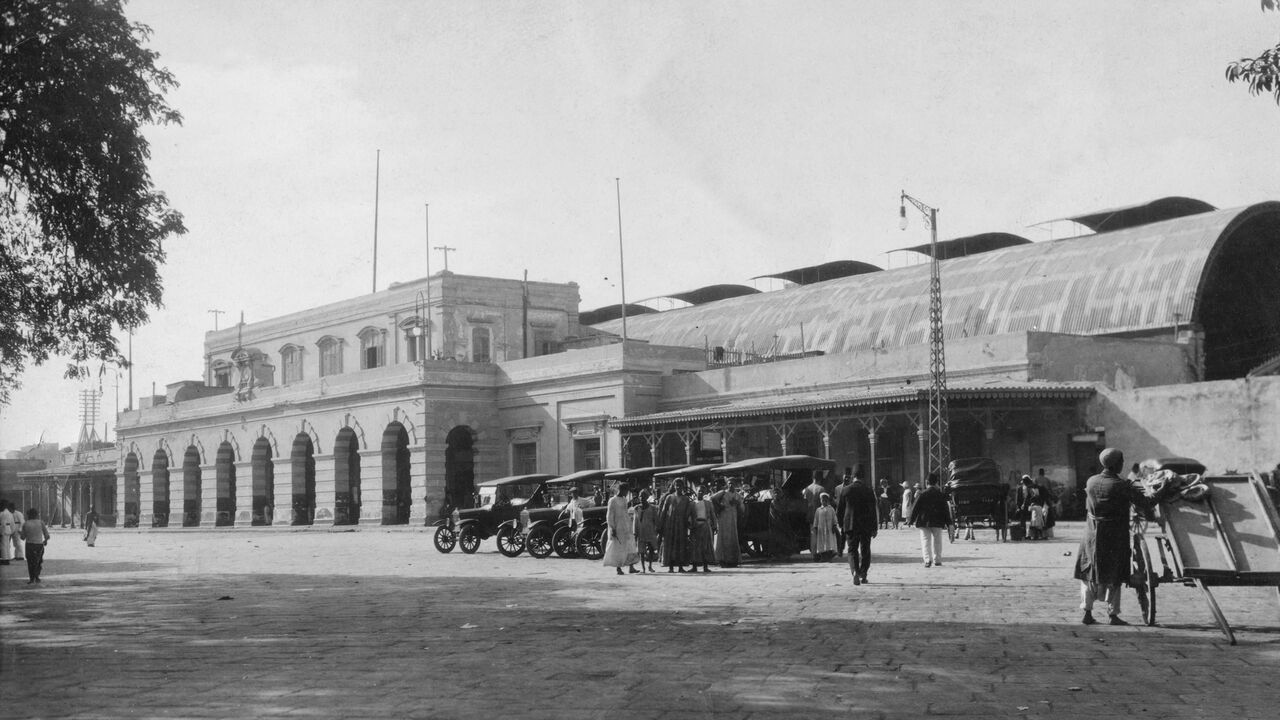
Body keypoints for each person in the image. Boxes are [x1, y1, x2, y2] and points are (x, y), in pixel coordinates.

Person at [1074, 447, 1145, 626]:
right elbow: (1143, 502)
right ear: (1116, 464)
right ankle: (1113, 614)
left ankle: (1087, 613)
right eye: (1121, 461)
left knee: (1088, 572)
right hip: (1114, 536)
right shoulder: (1120, 485)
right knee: (1115, 573)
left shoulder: (1091, 482)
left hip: (1091, 534)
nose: (1122, 464)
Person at [838, 470, 878, 584]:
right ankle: (863, 573)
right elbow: (873, 511)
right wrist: (874, 527)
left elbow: (840, 509)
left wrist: (841, 524)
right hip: (865, 525)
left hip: (850, 525)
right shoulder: (869, 490)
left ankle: (855, 571)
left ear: (853, 477)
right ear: (863, 477)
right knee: (865, 550)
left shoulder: (846, 489)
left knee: (852, 550)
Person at [909, 472, 953, 568]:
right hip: (937, 521)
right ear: (936, 482)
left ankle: (928, 560)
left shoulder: (922, 494)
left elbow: (915, 508)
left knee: (925, 541)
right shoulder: (940, 495)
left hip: (924, 521)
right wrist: (949, 522)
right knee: (938, 541)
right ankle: (937, 560)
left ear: (926, 482)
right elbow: (945, 510)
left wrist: (911, 520)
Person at [603, 482, 640, 575]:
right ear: (621, 490)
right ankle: (618, 568)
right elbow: (609, 515)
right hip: (617, 526)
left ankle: (631, 566)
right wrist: (612, 528)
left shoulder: (624, 499)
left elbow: (625, 512)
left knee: (629, 545)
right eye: (626, 491)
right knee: (618, 547)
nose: (627, 493)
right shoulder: (612, 500)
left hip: (625, 525)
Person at [657, 479, 694, 573]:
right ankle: (671, 567)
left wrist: (688, 522)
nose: (678, 487)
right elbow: (664, 511)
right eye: (676, 485)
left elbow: (689, 512)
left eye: (680, 485)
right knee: (670, 545)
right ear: (674, 486)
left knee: (681, 545)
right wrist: (660, 525)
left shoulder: (686, 499)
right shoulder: (669, 497)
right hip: (670, 525)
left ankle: (681, 566)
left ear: (682, 487)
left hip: (681, 525)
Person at [712, 479, 743, 568]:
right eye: (729, 484)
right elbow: (713, 498)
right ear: (727, 484)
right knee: (723, 537)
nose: (731, 485)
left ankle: (733, 560)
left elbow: (742, 508)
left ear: (736, 485)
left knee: (732, 537)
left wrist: (737, 503)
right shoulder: (723, 493)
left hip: (733, 518)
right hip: (723, 517)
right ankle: (722, 560)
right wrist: (720, 506)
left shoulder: (738, 495)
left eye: (733, 484)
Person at [688, 485, 718, 573]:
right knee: (695, 547)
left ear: (704, 493)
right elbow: (689, 515)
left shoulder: (708, 503)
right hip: (695, 525)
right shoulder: (692, 503)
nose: (700, 492)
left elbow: (713, 515)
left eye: (702, 491)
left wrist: (715, 526)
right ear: (696, 491)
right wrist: (690, 525)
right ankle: (694, 567)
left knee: (705, 546)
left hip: (705, 525)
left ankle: (705, 567)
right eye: (699, 491)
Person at [20, 508, 50, 584]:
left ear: (28, 515)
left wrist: (19, 533)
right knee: (38, 561)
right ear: (36, 515)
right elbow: (47, 535)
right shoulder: (41, 522)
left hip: (30, 545)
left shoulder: (26, 524)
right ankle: (37, 577)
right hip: (39, 545)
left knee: (30, 562)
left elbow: (23, 538)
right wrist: (45, 541)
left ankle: (31, 578)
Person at [632, 490, 659, 573]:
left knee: (651, 549)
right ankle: (643, 568)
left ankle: (650, 566)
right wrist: (635, 532)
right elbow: (635, 521)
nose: (641, 498)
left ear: (647, 497)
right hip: (641, 531)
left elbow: (656, 520)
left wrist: (657, 529)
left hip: (650, 530)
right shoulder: (637, 508)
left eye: (643, 496)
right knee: (641, 551)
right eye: (640, 496)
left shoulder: (652, 508)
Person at [833, 467, 856, 557]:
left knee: (849, 532)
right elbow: (836, 500)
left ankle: (850, 550)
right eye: (845, 476)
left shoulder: (853, 488)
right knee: (842, 533)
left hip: (850, 513)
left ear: (851, 477)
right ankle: (840, 549)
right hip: (841, 513)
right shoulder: (837, 488)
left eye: (848, 477)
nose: (846, 478)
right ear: (842, 476)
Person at [802, 472, 826, 559]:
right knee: (821, 534)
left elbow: (804, 501)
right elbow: (823, 503)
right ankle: (820, 553)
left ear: (812, 478)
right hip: (819, 514)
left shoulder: (806, 489)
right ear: (820, 479)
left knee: (813, 534)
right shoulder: (821, 489)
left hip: (810, 514)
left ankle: (813, 554)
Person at [811, 493, 839, 562]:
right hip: (821, 530)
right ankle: (823, 557)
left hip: (829, 529)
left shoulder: (831, 509)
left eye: (825, 500)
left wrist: (834, 525)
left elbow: (834, 518)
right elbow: (816, 519)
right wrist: (815, 527)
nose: (824, 502)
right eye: (822, 500)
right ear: (820, 501)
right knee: (822, 543)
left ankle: (830, 557)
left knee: (830, 543)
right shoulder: (818, 510)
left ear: (828, 501)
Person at [0, 500, 14, 565]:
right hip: (8, 529)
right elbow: (12, 523)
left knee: (3, 545)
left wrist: (1, 532)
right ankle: (8, 558)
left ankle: (4, 559)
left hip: (4, 529)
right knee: (7, 545)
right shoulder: (10, 514)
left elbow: (2, 523)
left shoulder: (2, 513)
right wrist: (12, 530)